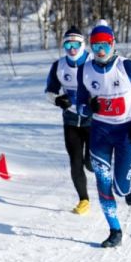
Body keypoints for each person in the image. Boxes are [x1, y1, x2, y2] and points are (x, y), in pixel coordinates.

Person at [77, 20, 131, 248]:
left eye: (105, 45)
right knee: (103, 183)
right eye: (96, 46)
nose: (101, 51)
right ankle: (115, 231)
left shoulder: (127, 67)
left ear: (113, 44)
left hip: (126, 131)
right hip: (100, 133)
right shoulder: (85, 70)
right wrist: (89, 108)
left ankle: (130, 181)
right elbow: (80, 105)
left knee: (121, 189)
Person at [44, 25, 93, 215]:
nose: (72, 49)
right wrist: (57, 100)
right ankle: (83, 200)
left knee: (90, 163)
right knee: (75, 161)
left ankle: (121, 172)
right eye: (67, 45)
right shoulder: (59, 66)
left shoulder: (93, 62)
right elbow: (49, 91)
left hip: (93, 120)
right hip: (71, 121)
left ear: (83, 45)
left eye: (76, 44)